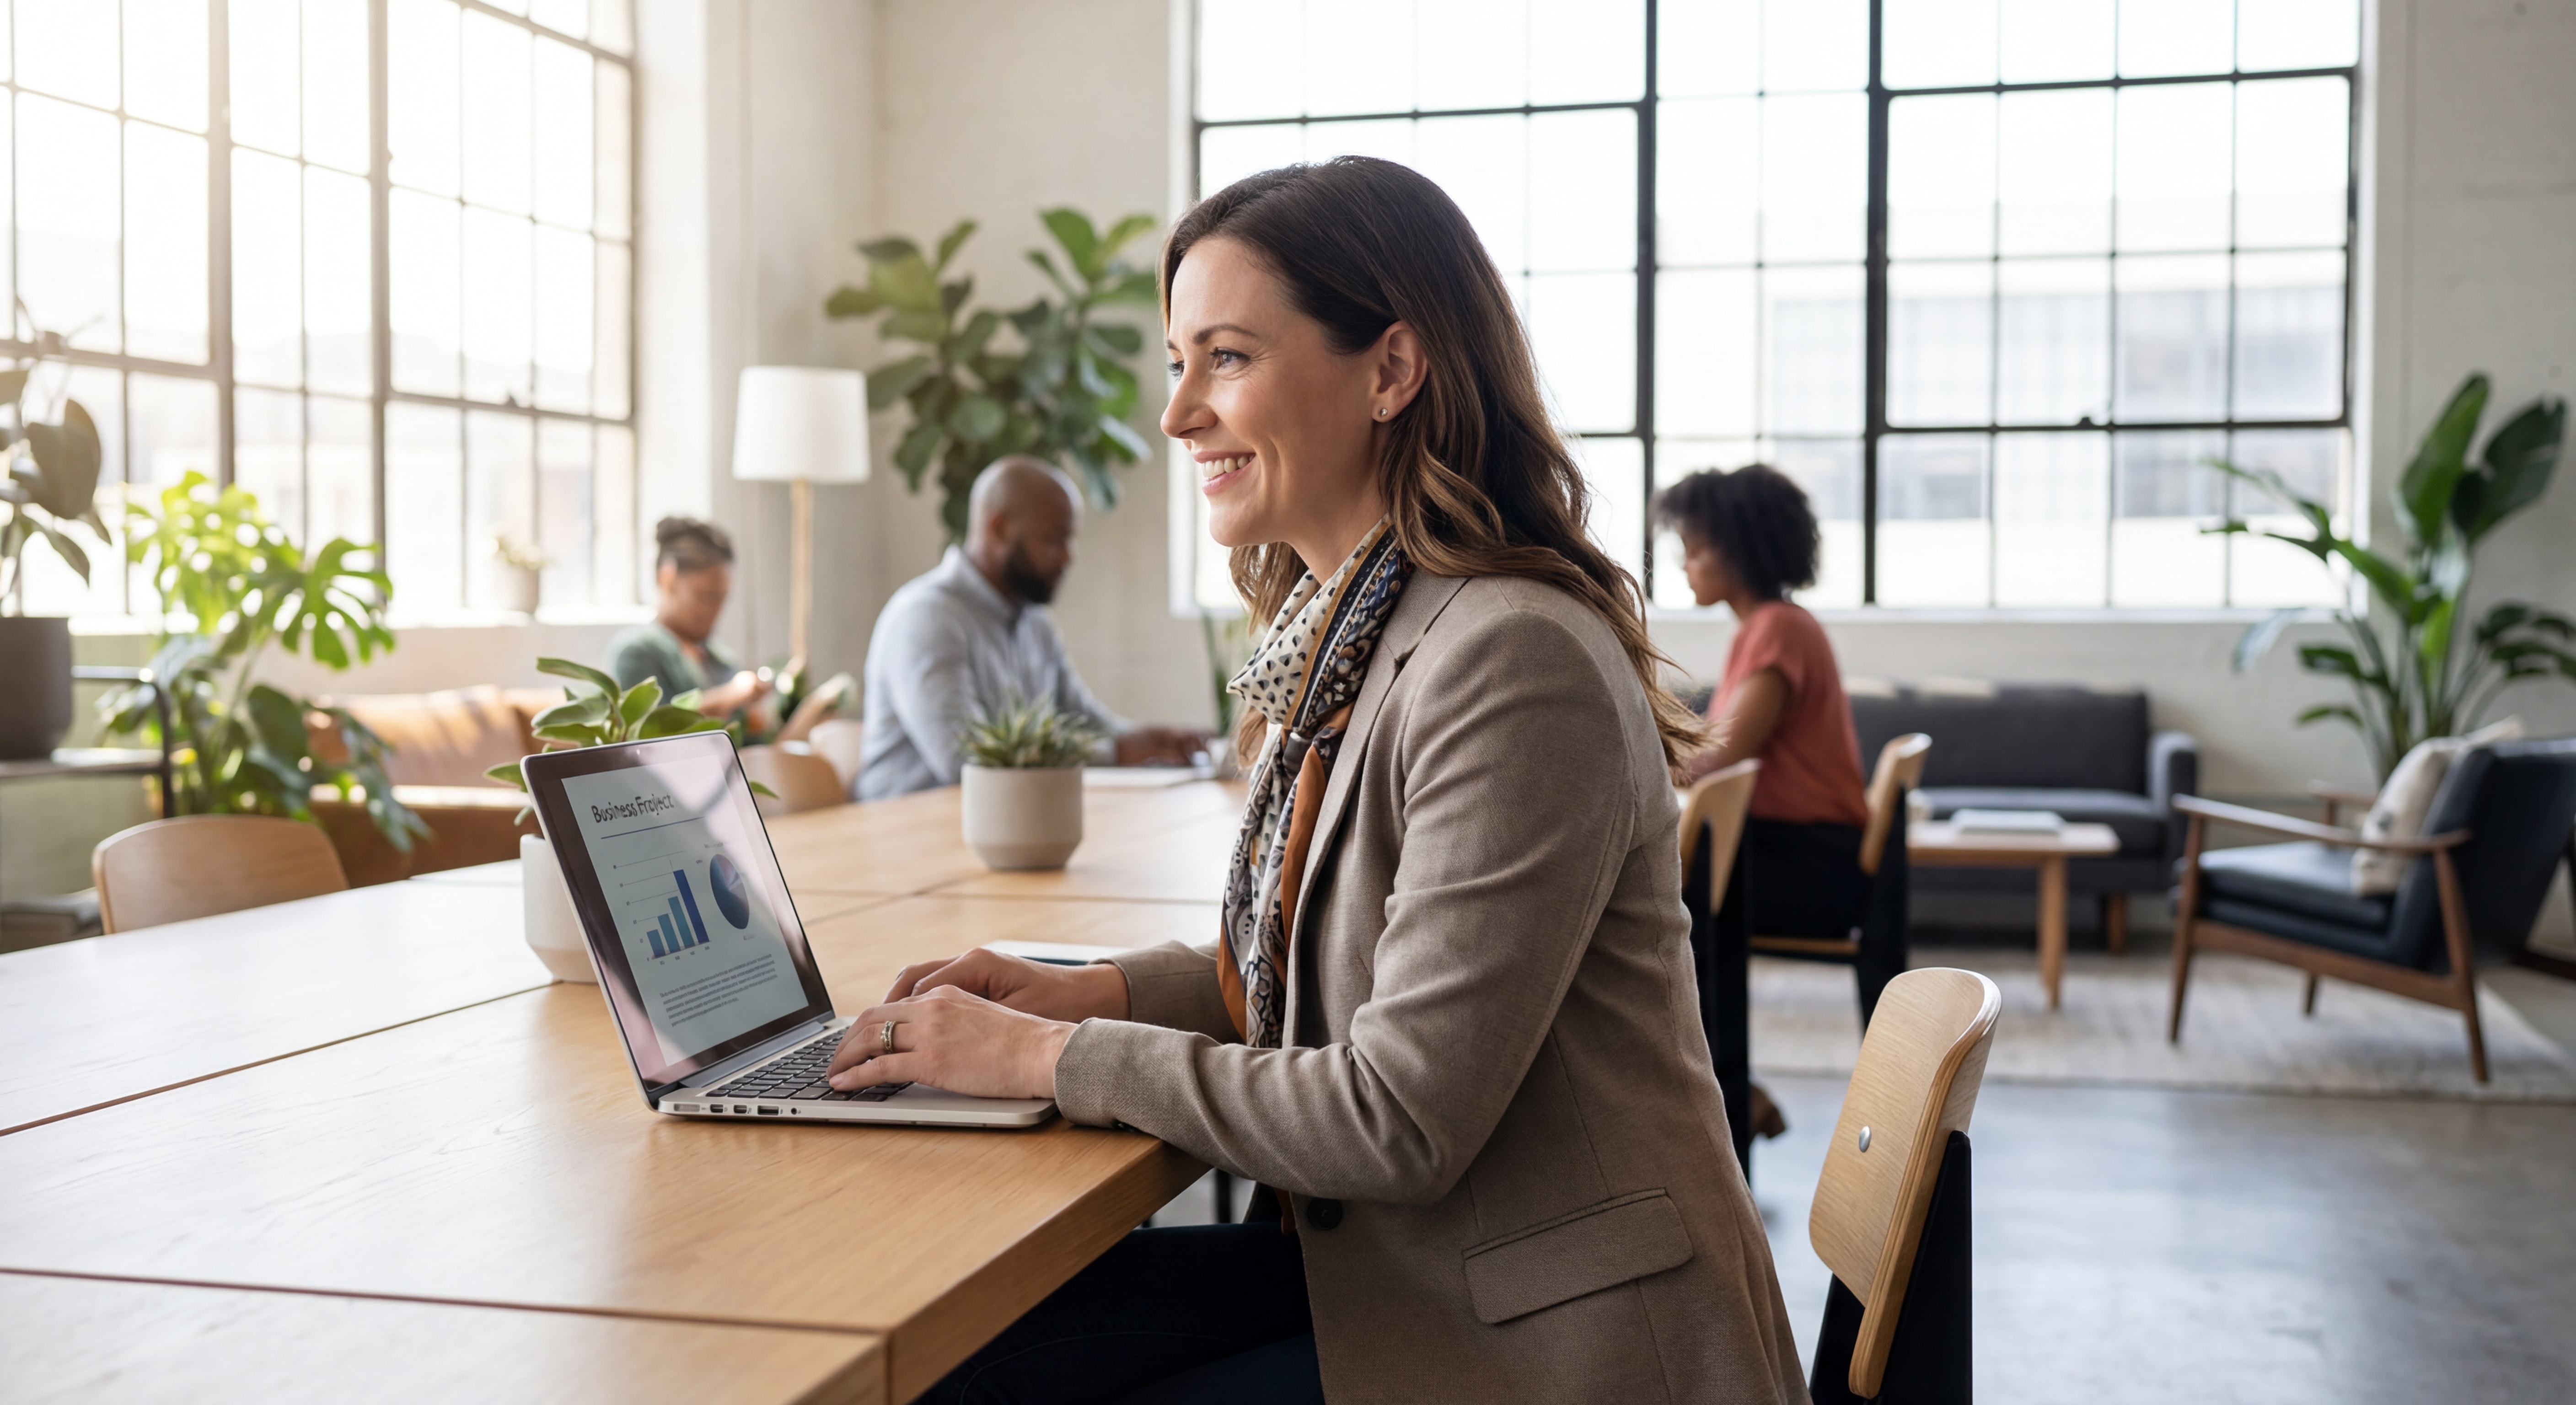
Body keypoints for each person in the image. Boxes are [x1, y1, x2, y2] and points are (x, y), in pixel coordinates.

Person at [823, 159, 1808, 1404]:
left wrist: (1038, 1061)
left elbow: (1394, 1115)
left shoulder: (1509, 656)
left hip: (1550, 1339)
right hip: (1416, 1270)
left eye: (1224, 358)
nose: (1179, 415)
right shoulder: (1356, 627)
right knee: (967, 1358)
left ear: (1392, 371)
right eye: (1179, 361)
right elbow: (1312, 971)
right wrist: (1084, 994)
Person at [855, 456, 1208, 800]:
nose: (1068, 557)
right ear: (999, 529)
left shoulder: (1034, 621)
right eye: (1055, 539)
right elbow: (967, 761)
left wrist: (1154, 742)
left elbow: (1082, 719)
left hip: (1000, 825)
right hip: (903, 832)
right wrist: (1116, 753)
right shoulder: (927, 618)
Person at [1663, 462, 1873, 947]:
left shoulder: (1779, 630)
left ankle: (1695, 1026)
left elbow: (1717, 758)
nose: (1684, 565)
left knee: (1643, 888)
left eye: (1695, 550)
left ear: (1739, 551)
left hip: (1810, 866)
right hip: (1792, 852)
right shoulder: (1770, 627)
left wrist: (1624, 766)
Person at [608, 517, 776, 724]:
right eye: (706, 597)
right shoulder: (638, 651)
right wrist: (726, 698)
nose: (715, 610)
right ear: (668, 579)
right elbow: (646, 730)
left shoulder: (719, 655)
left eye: (722, 599)